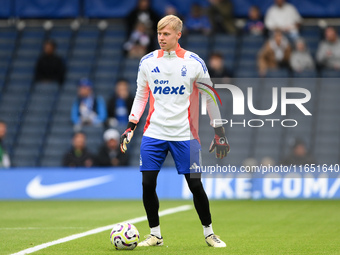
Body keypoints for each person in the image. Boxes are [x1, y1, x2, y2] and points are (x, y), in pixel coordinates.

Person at [119, 15, 230, 248]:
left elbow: (210, 99)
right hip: (154, 133)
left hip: (185, 135)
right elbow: (141, 95)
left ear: (178, 35)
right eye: (159, 33)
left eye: (166, 34)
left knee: (195, 186)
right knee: (148, 184)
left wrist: (218, 131)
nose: (161, 38)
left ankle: (209, 233)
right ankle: (155, 235)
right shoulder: (147, 62)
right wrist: (131, 125)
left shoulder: (194, 63)